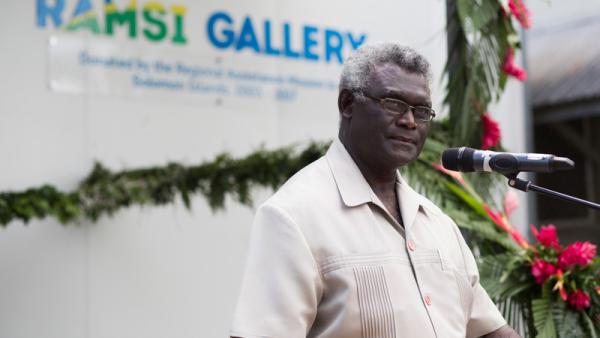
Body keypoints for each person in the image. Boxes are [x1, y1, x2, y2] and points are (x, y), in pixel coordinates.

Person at [230, 42, 520, 338]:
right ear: (347, 104)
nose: (409, 121)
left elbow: (489, 331)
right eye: (393, 103)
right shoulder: (293, 216)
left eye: (421, 111)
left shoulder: (438, 224)